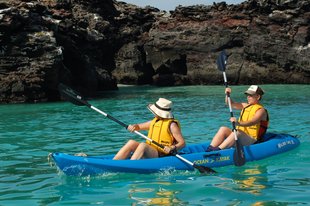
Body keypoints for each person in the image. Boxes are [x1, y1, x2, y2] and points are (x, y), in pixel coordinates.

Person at [113, 98, 186, 160]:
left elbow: (182, 143)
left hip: (163, 154)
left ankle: (131, 165)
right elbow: (138, 126)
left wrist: (172, 147)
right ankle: (115, 162)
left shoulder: (172, 125)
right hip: (151, 151)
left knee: (143, 145)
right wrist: (133, 127)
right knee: (131, 142)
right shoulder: (154, 121)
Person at [207, 85, 269, 152]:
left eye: (250, 95)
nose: (248, 97)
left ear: (258, 96)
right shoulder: (245, 106)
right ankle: (210, 149)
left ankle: (218, 151)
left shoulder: (261, 110)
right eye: (247, 95)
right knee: (223, 129)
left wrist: (238, 123)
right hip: (240, 136)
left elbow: (252, 122)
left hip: (253, 139)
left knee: (237, 132)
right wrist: (227, 94)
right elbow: (230, 103)